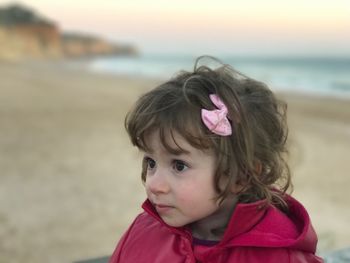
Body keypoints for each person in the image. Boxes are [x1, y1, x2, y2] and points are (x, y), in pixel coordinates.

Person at [109, 56, 323, 262]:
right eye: (151, 162)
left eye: (179, 165)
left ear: (242, 176)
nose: (154, 184)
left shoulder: (280, 257)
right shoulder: (141, 234)